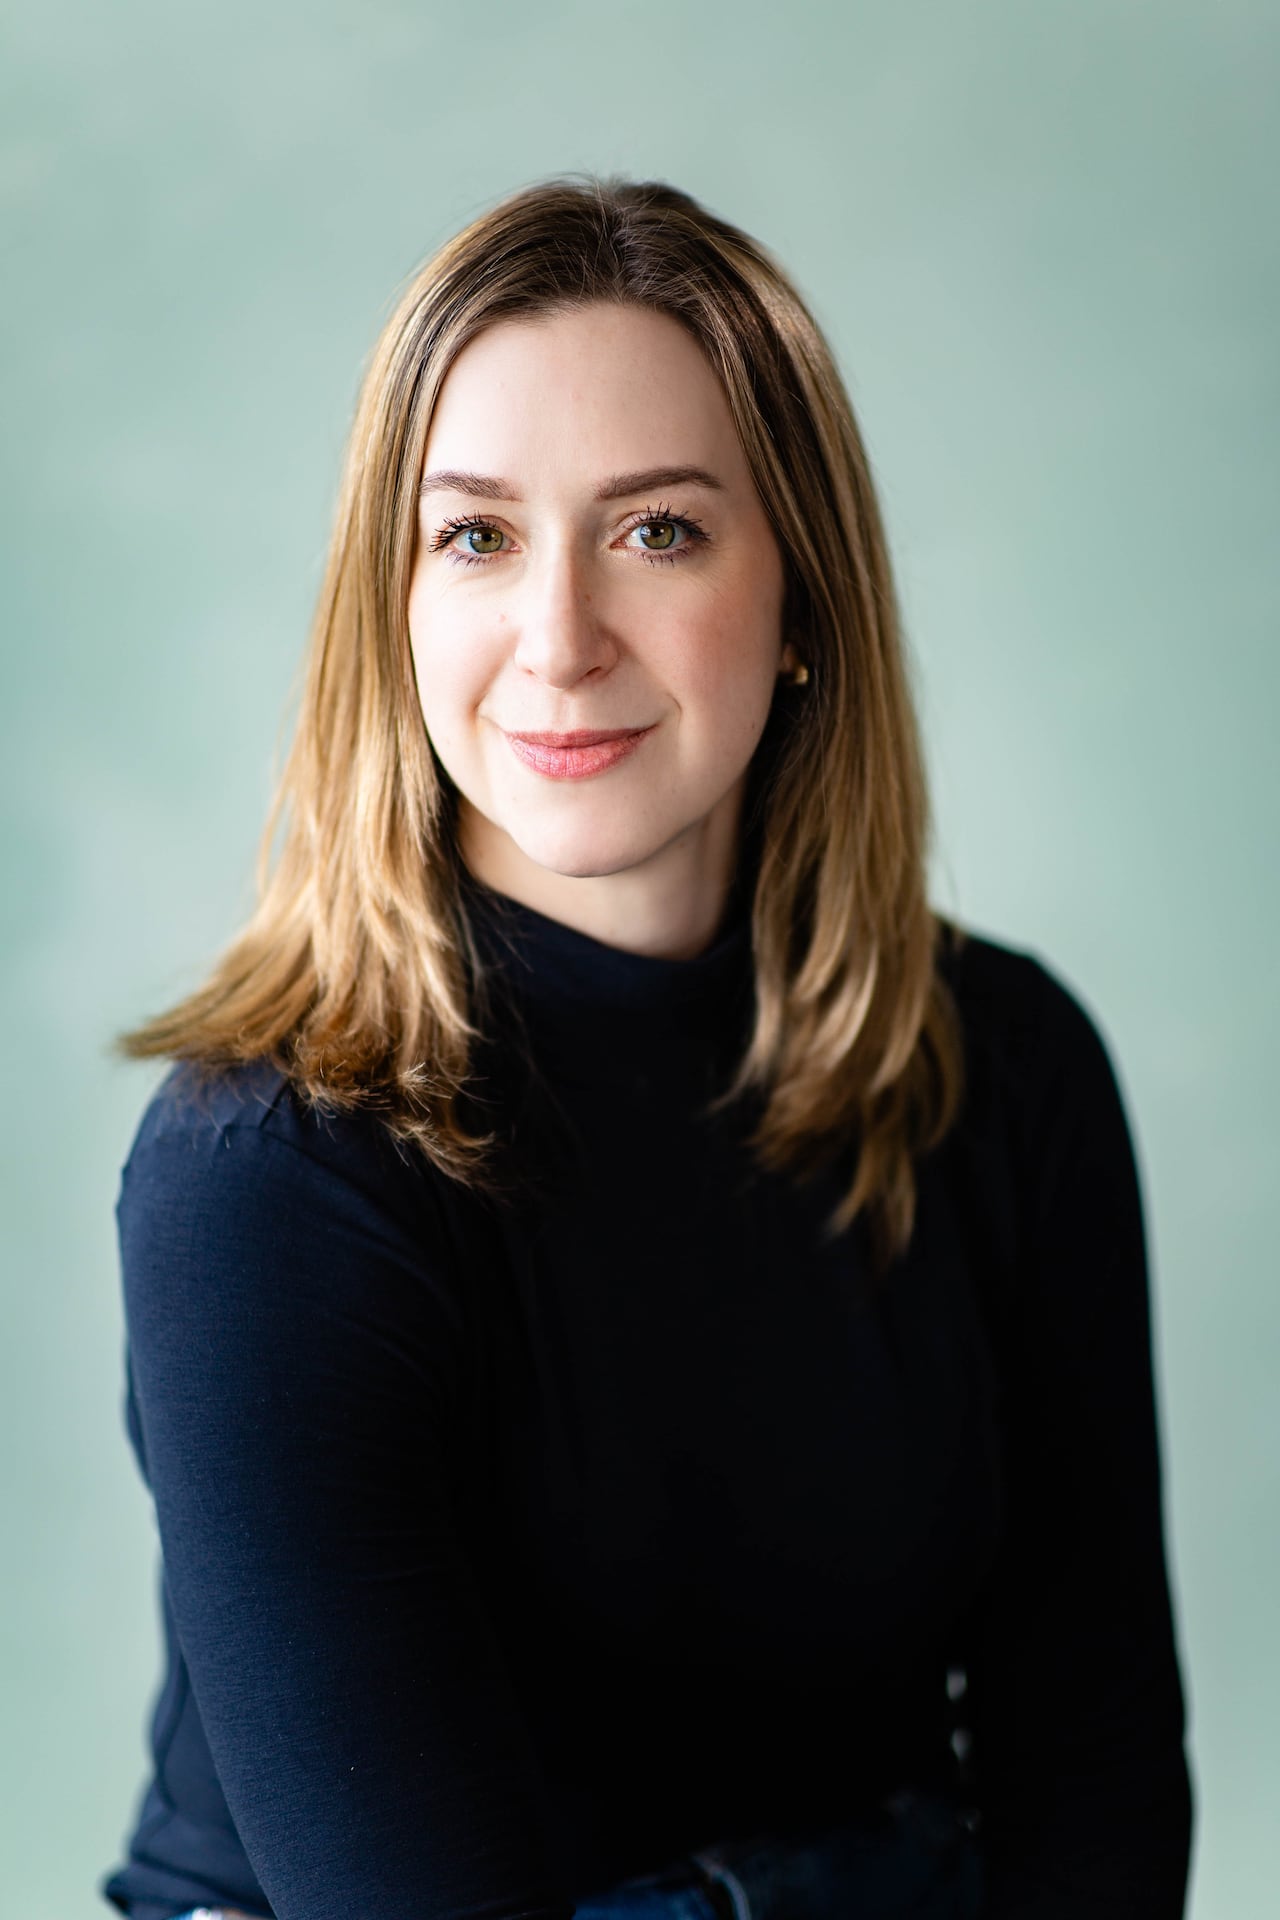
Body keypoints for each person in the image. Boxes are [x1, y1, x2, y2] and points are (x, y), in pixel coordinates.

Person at [100, 176, 1193, 1920]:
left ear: (803, 597)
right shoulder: (271, 1169)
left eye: (657, 531)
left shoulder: (1008, 1067)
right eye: (475, 537)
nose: (558, 641)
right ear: (394, 608)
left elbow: (1097, 1766)